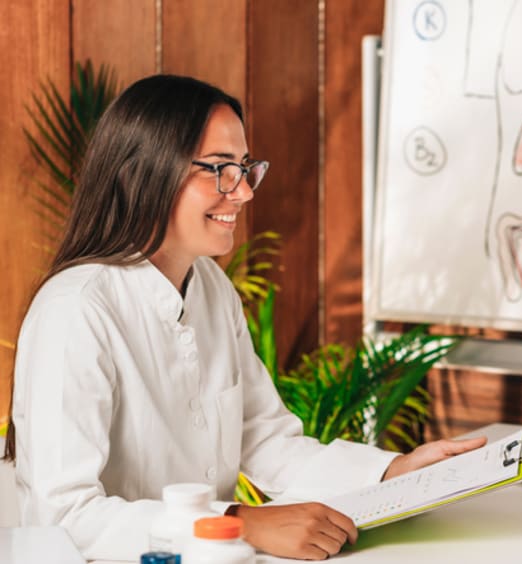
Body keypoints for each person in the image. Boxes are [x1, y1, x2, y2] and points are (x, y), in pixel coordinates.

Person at [3, 74, 486, 561]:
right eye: (218, 169)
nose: (243, 192)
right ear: (140, 173)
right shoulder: (76, 309)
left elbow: (266, 440)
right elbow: (63, 517)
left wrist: (393, 473)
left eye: (244, 167)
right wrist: (236, 522)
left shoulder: (213, 289)